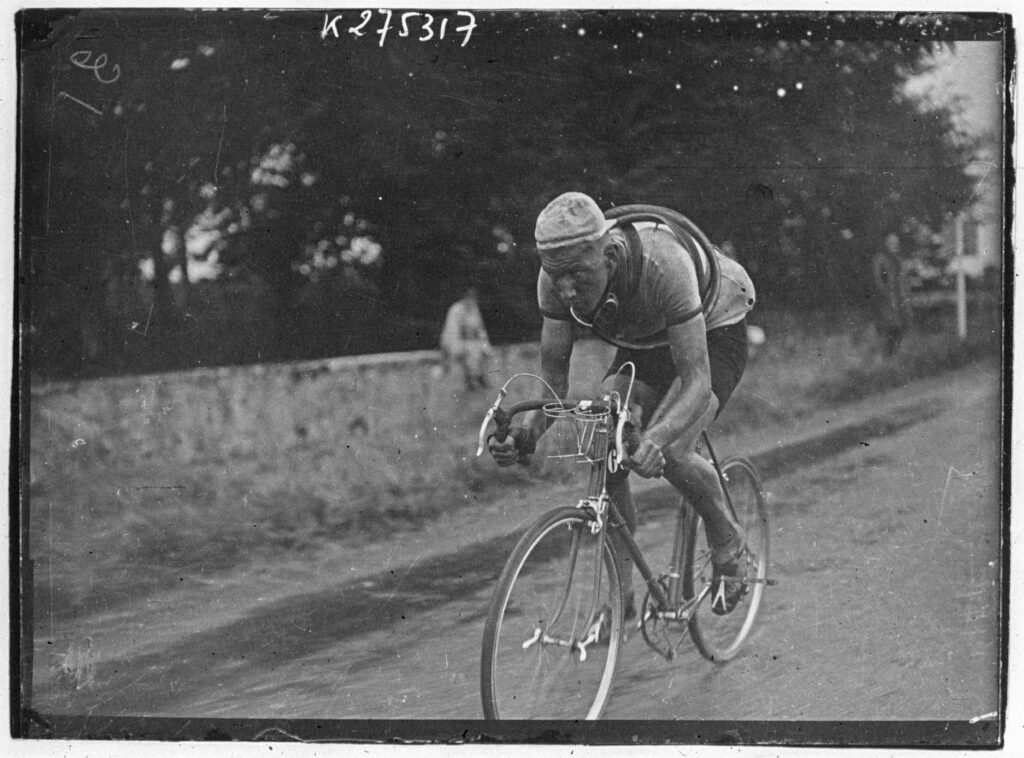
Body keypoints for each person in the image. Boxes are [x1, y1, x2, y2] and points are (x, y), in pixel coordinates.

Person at [489, 192, 756, 618]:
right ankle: (621, 598)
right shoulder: (557, 281)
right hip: (645, 337)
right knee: (604, 443)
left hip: (712, 324)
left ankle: (728, 541)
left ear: (610, 255)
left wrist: (656, 437)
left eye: (578, 274)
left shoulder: (663, 263)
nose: (567, 291)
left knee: (671, 451)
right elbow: (553, 381)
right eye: (556, 276)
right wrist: (527, 436)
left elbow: (697, 382)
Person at [440, 285, 493, 390]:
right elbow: (452, 331)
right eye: (469, 297)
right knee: (469, 350)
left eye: (473, 298)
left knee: (482, 349)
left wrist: (485, 344)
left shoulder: (474, 309)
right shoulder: (455, 310)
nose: (472, 300)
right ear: (464, 297)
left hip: (471, 342)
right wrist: (458, 347)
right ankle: (471, 378)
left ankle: (480, 376)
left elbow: (480, 330)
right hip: (454, 341)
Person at [871, 233, 911, 357]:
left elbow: (903, 279)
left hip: (899, 298)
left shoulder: (898, 259)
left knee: (900, 327)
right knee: (888, 328)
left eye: (897, 243)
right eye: (892, 243)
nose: (895, 246)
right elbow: (878, 280)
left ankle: (894, 357)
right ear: (886, 244)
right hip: (887, 299)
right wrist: (886, 294)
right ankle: (886, 357)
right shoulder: (880, 259)